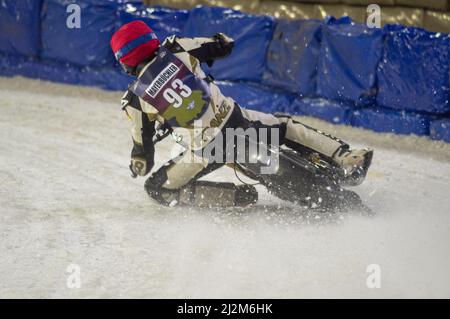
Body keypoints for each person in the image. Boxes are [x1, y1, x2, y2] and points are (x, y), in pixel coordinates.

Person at [110, 21, 373, 208]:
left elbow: (143, 155)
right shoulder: (177, 48)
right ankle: (346, 157)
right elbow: (222, 45)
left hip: (207, 151)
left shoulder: (134, 100)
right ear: (152, 40)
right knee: (284, 126)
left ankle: (233, 198)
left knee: (157, 189)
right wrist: (220, 41)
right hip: (237, 122)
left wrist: (138, 163)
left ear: (125, 60)